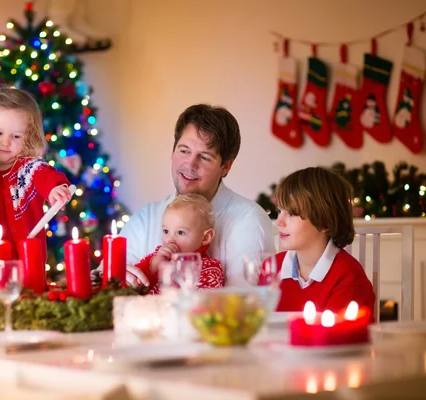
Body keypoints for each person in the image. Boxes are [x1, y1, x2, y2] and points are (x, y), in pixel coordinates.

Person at [120, 104, 274, 287]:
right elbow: (106, 284)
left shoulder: (249, 220)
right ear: (172, 152)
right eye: (184, 151)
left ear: (225, 167)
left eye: (205, 157)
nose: (190, 164)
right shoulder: (145, 218)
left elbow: (243, 305)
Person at [0, 88, 71, 261]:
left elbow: (45, 175)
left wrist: (55, 189)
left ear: (29, 137)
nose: (5, 142)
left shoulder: (29, 169)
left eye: (16, 136)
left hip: (27, 263)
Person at [273, 167, 375, 315]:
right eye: (279, 211)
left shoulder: (348, 278)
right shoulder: (272, 268)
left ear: (324, 223)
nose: (279, 222)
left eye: (291, 214)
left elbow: (337, 336)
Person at [134, 193, 224, 293]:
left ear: (206, 237)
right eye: (166, 231)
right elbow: (133, 284)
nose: (170, 239)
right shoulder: (158, 256)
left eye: (180, 232)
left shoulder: (209, 268)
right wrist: (153, 266)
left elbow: (207, 302)